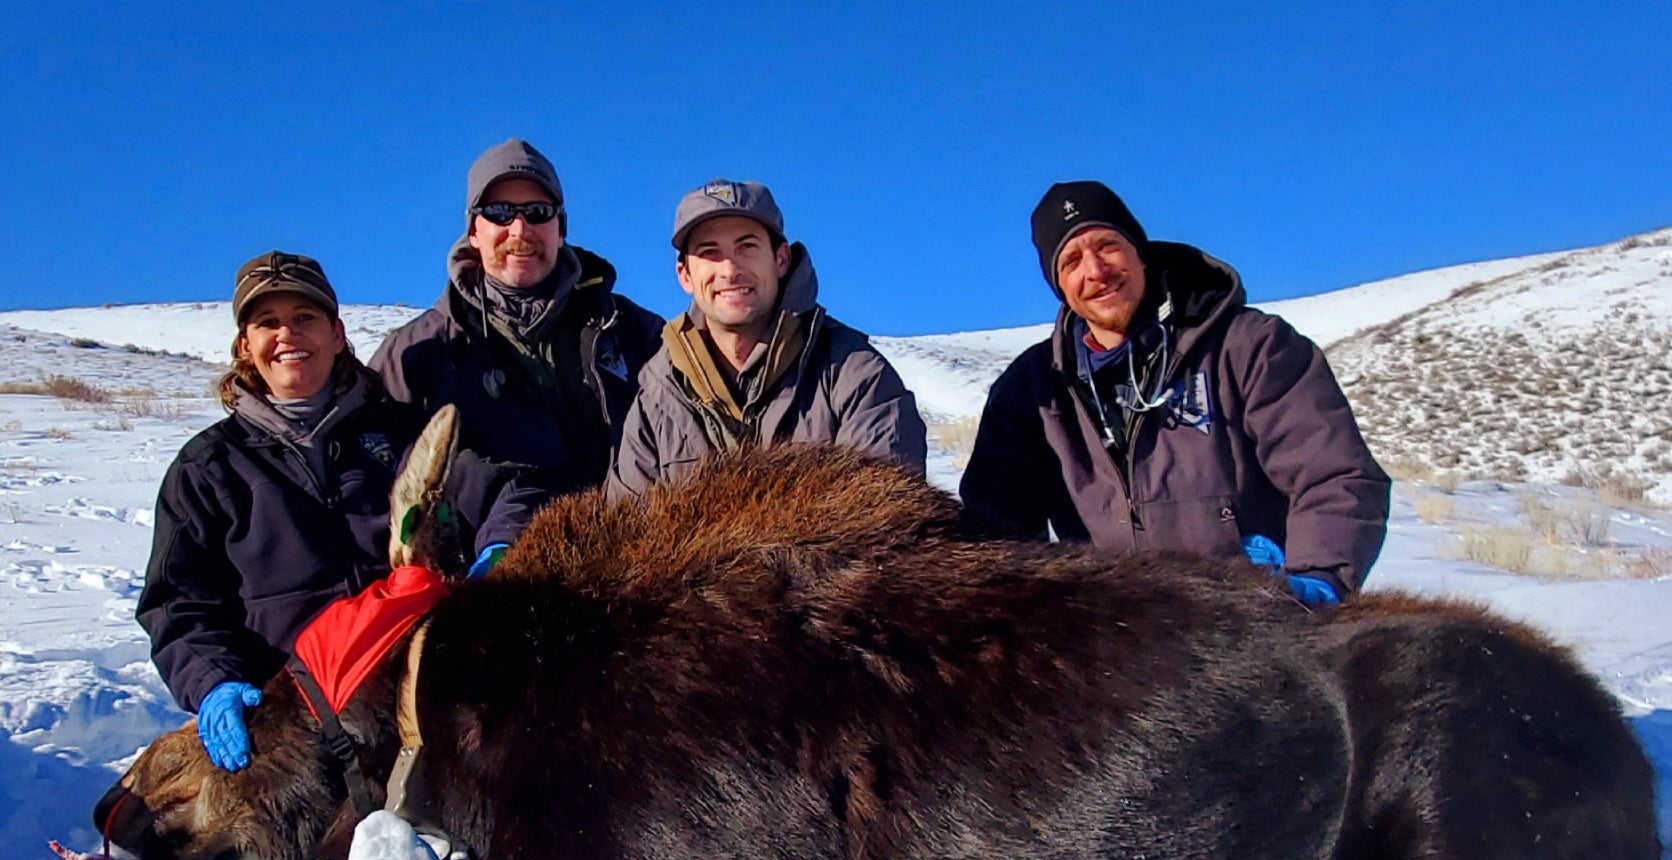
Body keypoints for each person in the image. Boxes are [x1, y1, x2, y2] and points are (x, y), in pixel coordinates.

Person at [138, 251, 545, 771]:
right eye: (268, 322)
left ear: (336, 333)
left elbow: (507, 489)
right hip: (288, 718)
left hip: (424, 701)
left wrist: (499, 551)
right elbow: (178, 603)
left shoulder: (403, 435)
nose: (287, 335)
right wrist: (214, 682)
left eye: (304, 318)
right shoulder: (207, 468)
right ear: (245, 345)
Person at [960, 181, 1390, 603]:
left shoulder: (1250, 348)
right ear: (1059, 285)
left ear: (1139, 252)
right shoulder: (1032, 391)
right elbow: (995, 526)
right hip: (1111, 640)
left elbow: (1334, 473)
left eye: (1108, 245)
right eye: (1071, 260)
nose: (1095, 270)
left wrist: (1319, 577)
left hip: (1255, 627)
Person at [371, 138, 663, 495]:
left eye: (538, 212)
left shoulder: (633, 331)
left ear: (561, 229)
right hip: (488, 549)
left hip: (632, 542)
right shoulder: (414, 354)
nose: (520, 231)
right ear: (474, 232)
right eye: (499, 213)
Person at [608, 179, 926, 500]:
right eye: (709, 252)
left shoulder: (855, 374)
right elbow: (627, 534)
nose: (730, 270)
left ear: (781, 259)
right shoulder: (656, 400)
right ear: (685, 275)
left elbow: (884, 523)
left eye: (746, 247)